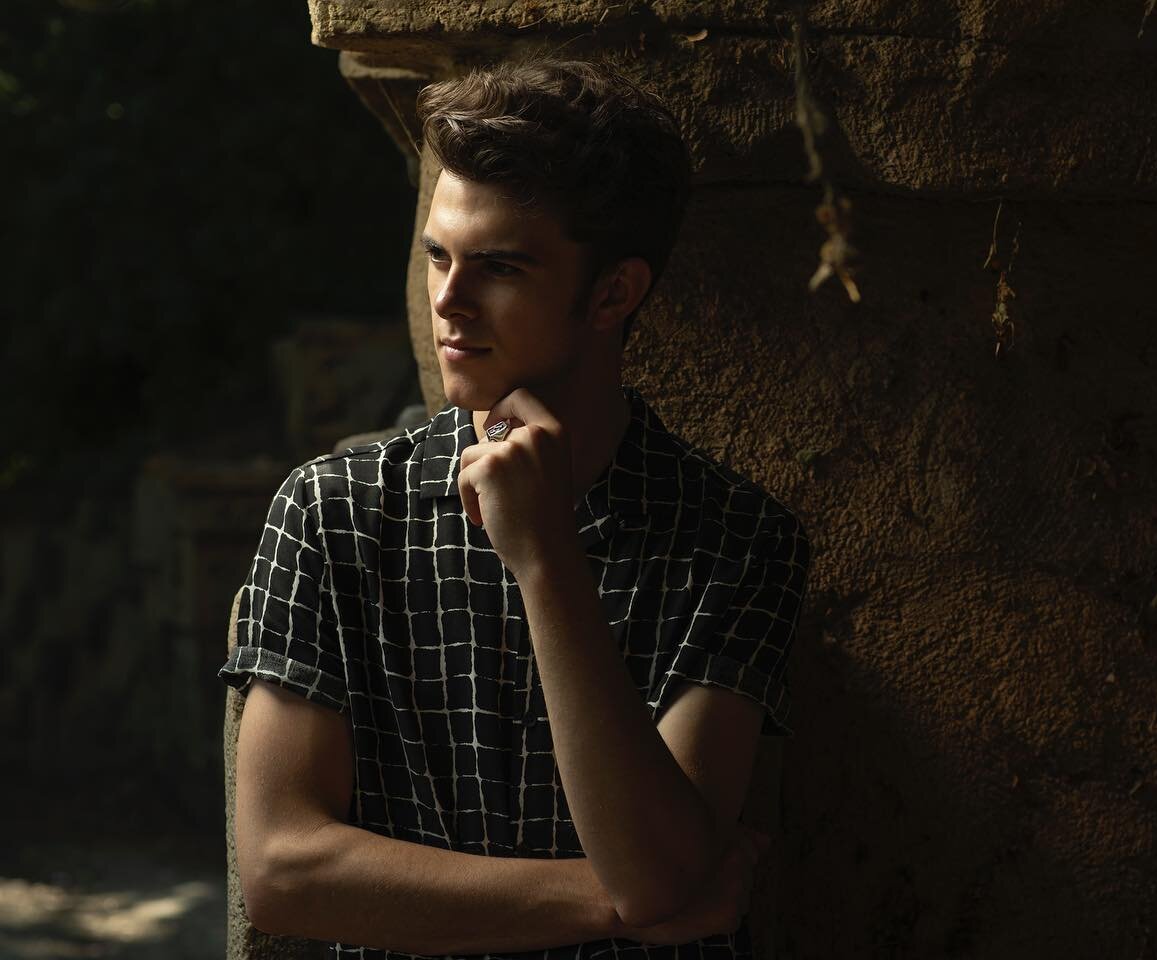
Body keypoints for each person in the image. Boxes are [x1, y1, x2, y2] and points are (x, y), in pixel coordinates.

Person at [216, 55, 811, 960]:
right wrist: (612, 904)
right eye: (437, 257)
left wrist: (545, 558)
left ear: (614, 292)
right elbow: (283, 871)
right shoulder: (335, 509)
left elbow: (655, 871)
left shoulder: (736, 539)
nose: (449, 302)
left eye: (496, 266)